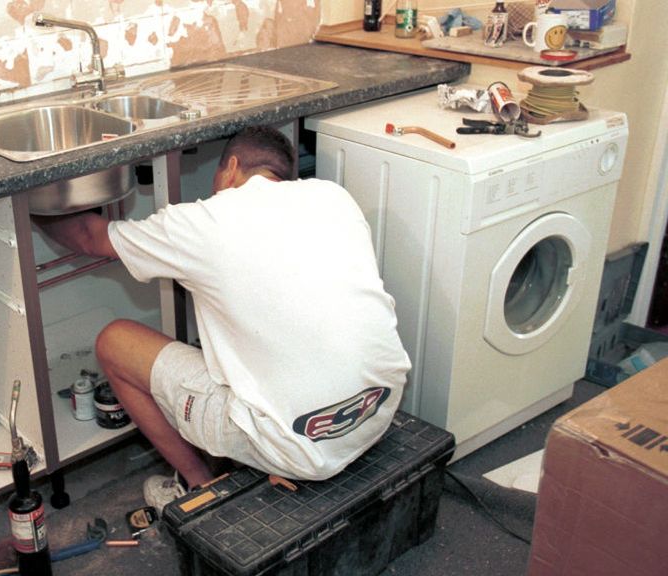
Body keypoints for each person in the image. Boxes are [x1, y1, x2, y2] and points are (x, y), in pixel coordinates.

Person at [33, 125, 410, 515]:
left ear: (230, 167)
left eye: (215, 178)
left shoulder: (205, 221)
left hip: (297, 449)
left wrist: (27, 199)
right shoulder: (334, 198)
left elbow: (87, 235)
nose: (211, 190)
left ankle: (201, 489)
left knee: (114, 343)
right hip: (377, 410)